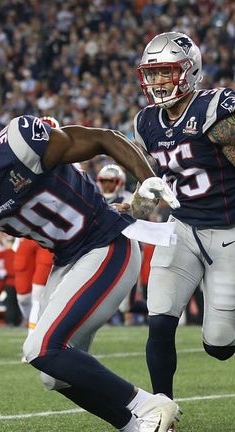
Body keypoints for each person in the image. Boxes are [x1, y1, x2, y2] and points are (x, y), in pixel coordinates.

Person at [0, 102, 182, 431]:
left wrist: (147, 178)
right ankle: (137, 426)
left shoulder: (20, 145)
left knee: (40, 348)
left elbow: (103, 138)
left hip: (107, 242)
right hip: (69, 259)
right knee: (52, 374)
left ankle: (148, 404)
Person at [134, 32, 235, 400]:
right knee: (159, 318)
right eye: (153, 73)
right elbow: (155, 184)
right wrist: (132, 211)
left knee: (220, 346)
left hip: (228, 233)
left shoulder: (215, 110)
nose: (157, 82)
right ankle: (162, 409)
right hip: (181, 229)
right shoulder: (146, 122)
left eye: (166, 72)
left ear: (189, 71)